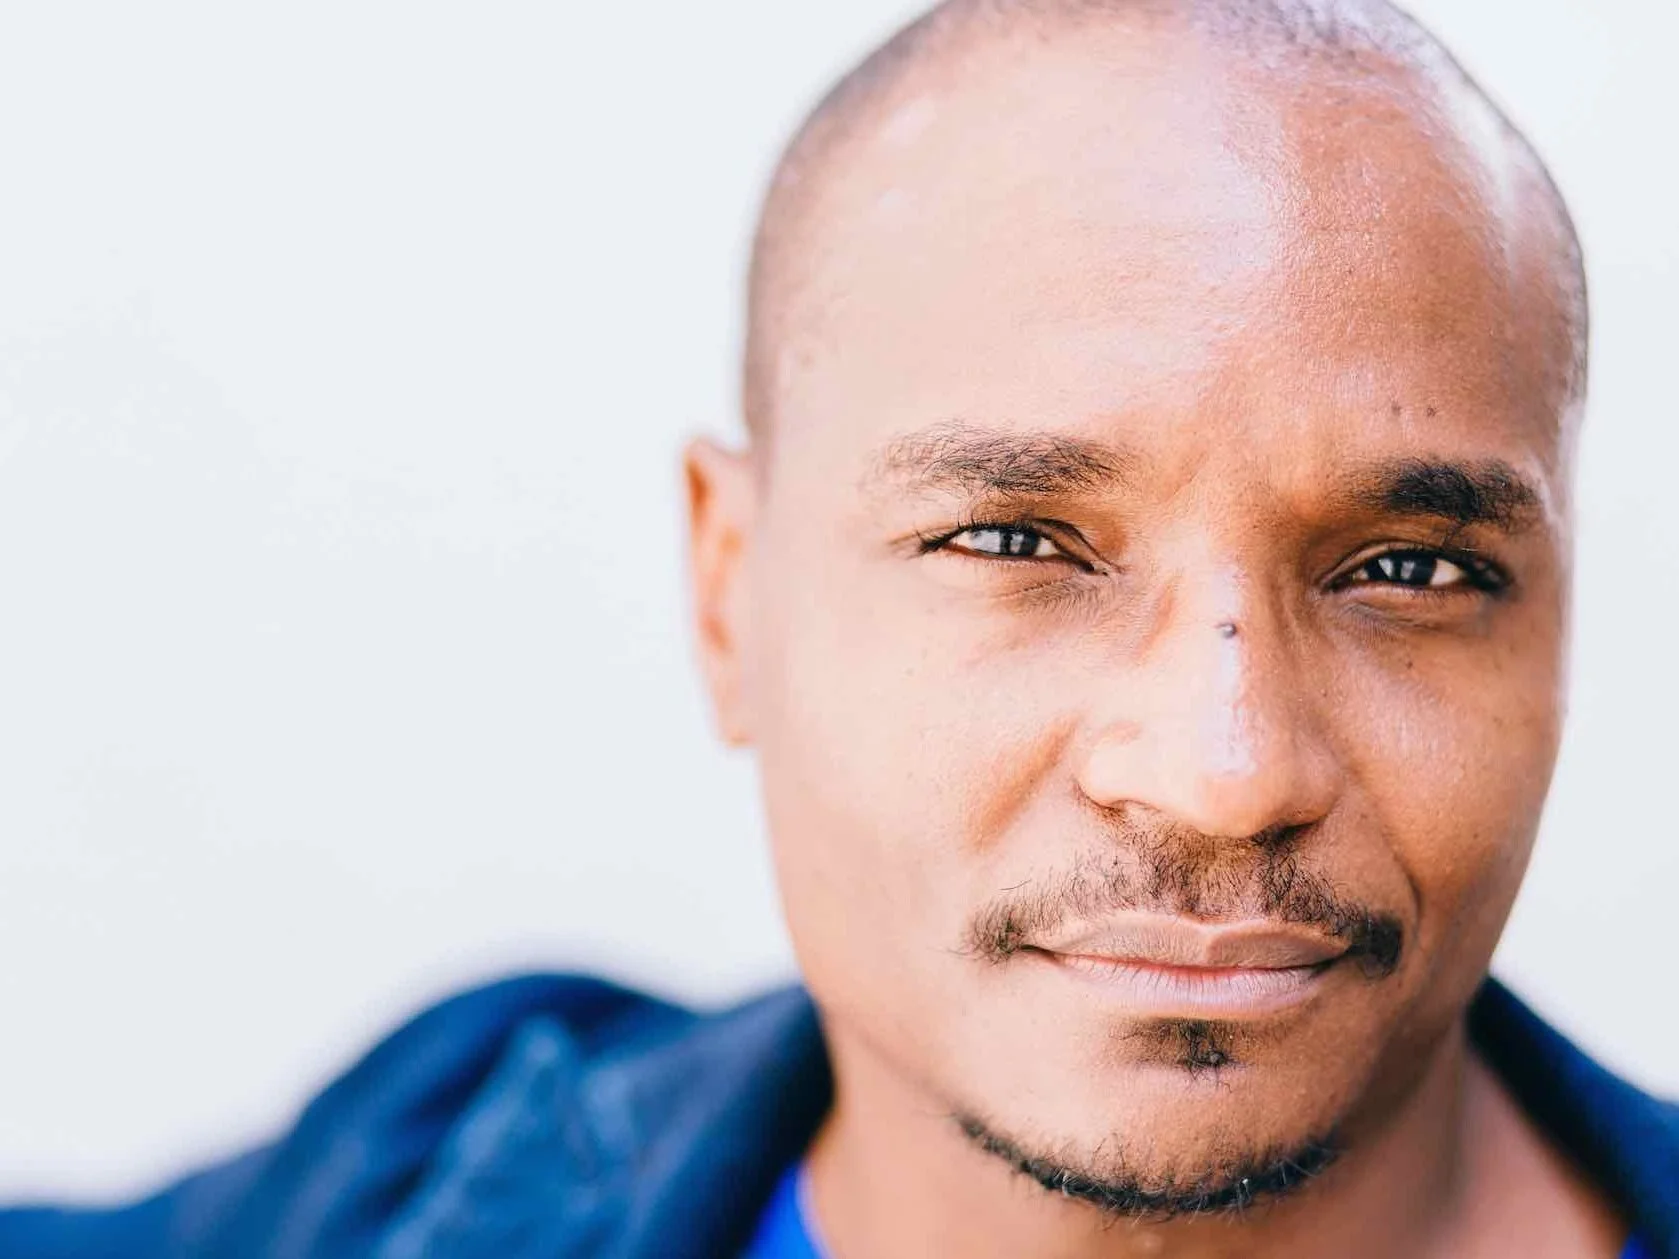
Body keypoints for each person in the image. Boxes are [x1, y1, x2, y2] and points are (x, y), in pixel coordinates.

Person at [2, 0, 1674, 1255]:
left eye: (1409, 569)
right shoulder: (410, 1174)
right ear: (728, 590)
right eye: (1013, 541)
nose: (1224, 770)